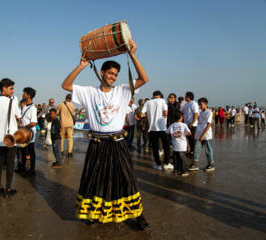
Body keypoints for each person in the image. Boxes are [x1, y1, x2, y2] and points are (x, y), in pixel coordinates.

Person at [62, 39, 149, 230]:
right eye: (110, 73)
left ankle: (138, 216)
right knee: (94, 180)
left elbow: (144, 79)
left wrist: (132, 55)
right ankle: (93, 214)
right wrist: (81, 66)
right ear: (102, 73)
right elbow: (66, 85)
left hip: (118, 143)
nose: (113, 77)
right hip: (97, 144)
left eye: (116, 75)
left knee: (127, 179)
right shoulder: (88, 92)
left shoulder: (123, 91)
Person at [0, 78, 20, 198]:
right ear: (4, 88)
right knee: (10, 164)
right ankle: (8, 189)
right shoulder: (12, 101)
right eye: (11, 88)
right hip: (10, 137)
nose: (13, 91)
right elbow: (17, 116)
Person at [141, 90, 172, 170]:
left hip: (152, 128)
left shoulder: (147, 102)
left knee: (155, 147)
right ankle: (166, 163)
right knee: (166, 146)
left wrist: (150, 114)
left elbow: (142, 114)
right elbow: (165, 113)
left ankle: (158, 165)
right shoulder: (162, 101)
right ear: (159, 96)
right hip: (162, 128)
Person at [189, 98, 214, 171]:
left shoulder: (209, 113)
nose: (199, 106)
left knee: (208, 150)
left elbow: (208, 124)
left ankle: (211, 164)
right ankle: (194, 163)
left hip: (206, 135)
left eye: (201, 104)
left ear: (205, 104)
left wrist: (203, 135)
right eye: (199, 104)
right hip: (199, 134)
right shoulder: (200, 112)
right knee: (196, 149)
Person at [166, 111, 191, 176]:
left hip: (175, 144)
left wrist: (173, 134)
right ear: (181, 117)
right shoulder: (184, 125)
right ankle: (183, 171)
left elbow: (166, 132)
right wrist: (185, 134)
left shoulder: (172, 125)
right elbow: (189, 133)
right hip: (182, 145)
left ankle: (175, 171)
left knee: (175, 158)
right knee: (182, 159)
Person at [19, 87, 38, 177]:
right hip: (24, 132)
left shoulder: (32, 109)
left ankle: (32, 170)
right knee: (22, 150)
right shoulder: (24, 107)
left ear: (28, 95)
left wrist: (23, 127)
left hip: (29, 133)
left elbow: (34, 122)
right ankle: (23, 167)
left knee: (31, 150)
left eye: (24, 93)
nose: (23, 95)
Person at [181, 92, 199, 157]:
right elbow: (181, 111)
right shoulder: (186, 104)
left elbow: (196, 114)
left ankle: (194, 151)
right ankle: (191, 150)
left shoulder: (194, 104)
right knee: (188, 137)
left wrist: (193, 122)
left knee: (192, 138)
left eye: (185, 96)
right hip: (186, 124)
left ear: (188, 97)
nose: (185, 97)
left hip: (192, 124)